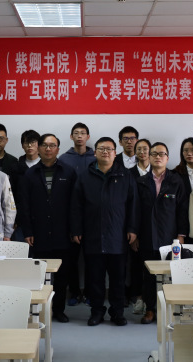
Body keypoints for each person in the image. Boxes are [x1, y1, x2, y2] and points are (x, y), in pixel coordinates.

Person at [71, 137, 137, 327]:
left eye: (109, 149)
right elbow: (76, 206)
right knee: (95, 278)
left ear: (115, 153)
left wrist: (132, 229)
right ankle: (97, 312)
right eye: (101, 149)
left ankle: (117, 312)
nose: (105, 152)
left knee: (118, 279)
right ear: (95, 152)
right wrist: (76, 229)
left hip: (118, 236)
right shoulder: (85, 176)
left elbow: (134, 205)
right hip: (92, 235)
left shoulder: (125, 175)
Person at [18, 134, 76, 323]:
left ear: (58, 149)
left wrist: (75, 230)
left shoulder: (68, 172)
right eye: (44, 145)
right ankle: (41, 310)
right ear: (39, 148)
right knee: (40, 274)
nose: (48, 149)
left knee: (62, 275)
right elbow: (24, 205)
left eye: (52, 145)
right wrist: (28, 231)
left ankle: (58, 310)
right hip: (39, 232)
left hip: (63, 233)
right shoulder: (30, 174)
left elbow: (75, 204)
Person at [136, 142, 187, 325]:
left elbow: (182, 209)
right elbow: (135, 210)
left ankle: (170, 308)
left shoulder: (176, 180)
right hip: (147, 235)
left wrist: (181, 235)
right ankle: (150, 309)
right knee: (148, 275)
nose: (158, 157)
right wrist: (134, 234)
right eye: (154, 154)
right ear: (149, 157)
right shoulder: (141, 182)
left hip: (170, 236)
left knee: (171, 274)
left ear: (167, 158)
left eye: (162, 154)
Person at [59, 122, 95, 305]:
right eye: (76, 133)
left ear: (88, 137)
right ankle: (73, 292)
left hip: (92, 215)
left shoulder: (95, 157)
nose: (79, 136)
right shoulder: (64, 159)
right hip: (70, 214)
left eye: (83, 133)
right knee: (71, 258)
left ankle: (89, 293)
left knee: (91, 258)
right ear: (71, 136)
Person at [127, 138, 150, 314]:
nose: (142, 152)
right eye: (139, 149)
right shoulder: (128, 174)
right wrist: (133, 231)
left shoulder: (159, 173)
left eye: (145, 149)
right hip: (135, 225)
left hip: (153, 226)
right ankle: (137, 298)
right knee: (135, 265)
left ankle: (150, 300)